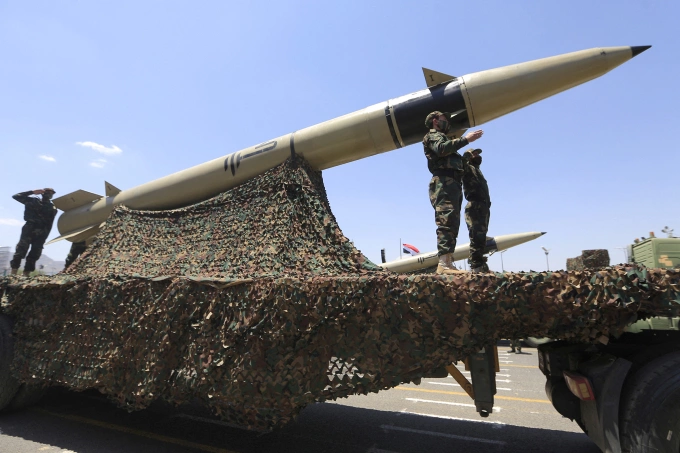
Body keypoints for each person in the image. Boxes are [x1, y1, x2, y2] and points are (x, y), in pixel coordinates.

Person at [422, 111, 483, 274]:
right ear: (435, 121)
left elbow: (454, 162)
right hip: (443, 182)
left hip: (452, 183)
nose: (447, 122)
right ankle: (444, 264)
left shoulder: (444, 138)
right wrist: (466, 139)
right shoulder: (433, 135)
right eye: (444, 119)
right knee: (446, 220)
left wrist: (467, 157)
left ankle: (447, 262)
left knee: (453, 222)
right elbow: (441, 149)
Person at [9, 188, 57, 277]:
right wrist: (32, 192)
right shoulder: (32, 201)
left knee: (35, 253)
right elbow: (16, 196)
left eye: (51, 193)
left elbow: (50, 223)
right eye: (47, 192)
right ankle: (13, 272)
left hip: (42, 231)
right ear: (42, 193)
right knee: (21, 250)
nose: (49, 195)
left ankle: (26, 273)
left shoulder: (52, 208)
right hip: (29, 228)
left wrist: (45, 236)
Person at [462, 148, 491, 273]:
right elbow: (461, 164)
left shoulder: (477, 170)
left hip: (483, 206)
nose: (477, 155)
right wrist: (466, 155)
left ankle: (479, 263)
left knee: (481, 236)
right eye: (474, 154)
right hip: (475, 205)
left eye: (478, 154)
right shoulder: (467, 168)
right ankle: (476, 265)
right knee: (476, 236)